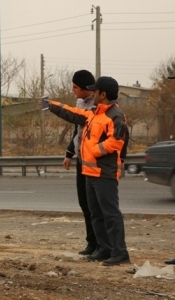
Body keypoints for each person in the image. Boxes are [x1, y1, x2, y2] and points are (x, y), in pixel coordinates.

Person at [44, 76, 130, 266]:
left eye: (95, 91)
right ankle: (104, 249)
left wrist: (94, 151)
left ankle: (120, 252)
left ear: (103, 94)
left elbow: (117, 142)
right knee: (96, 214)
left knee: (110, 213)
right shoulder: (94, 113)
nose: (93, 93)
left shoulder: (115, 115)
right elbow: (73, 113)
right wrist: (52, 105)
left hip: (104, 173)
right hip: (89, 173)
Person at [64, 70, 97, 256]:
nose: (73, 90)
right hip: (80, 158)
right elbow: (77, 130)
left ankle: (101, 244)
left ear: (86, 89)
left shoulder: (97, 104)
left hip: (93, 159)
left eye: (75, 87)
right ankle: (91, 243)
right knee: (84, 203)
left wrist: (53, 107)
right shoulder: (79, 102)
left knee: (95, 205)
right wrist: (69, 152)